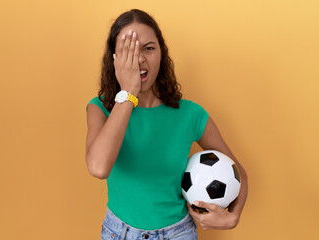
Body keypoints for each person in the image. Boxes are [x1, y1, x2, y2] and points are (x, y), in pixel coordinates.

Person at [85, 9, 248, 240]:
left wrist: (234, 216)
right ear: (115, 58)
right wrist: (128, 93)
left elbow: (239, 172)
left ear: (162, 53)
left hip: (178, 233)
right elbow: (98, 168)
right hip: (118, 233)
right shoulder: (99, 109)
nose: (139, 59)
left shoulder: (191, 114)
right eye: (128, 50)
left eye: (148, 48)